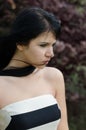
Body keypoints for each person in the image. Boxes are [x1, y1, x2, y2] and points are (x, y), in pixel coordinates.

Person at [0, 7, 69, 130]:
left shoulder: (53, 76)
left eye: (53, 45)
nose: (51, 53)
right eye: (43, 45)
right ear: (20, 43)